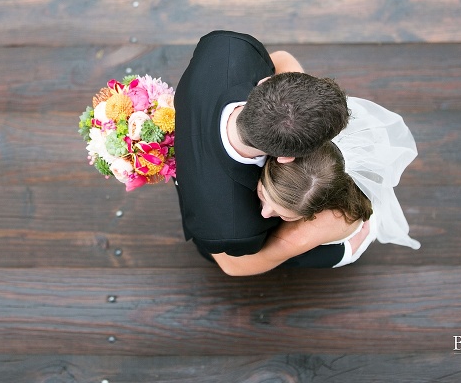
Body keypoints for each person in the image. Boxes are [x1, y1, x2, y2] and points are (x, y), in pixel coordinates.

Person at [174, 30, 351, 266]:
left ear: (266, 83)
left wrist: (298, 109)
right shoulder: (235, 229)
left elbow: (280, 58)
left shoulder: (229, 46)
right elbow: (234, 266)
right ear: (286, 157)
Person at [212, 97, 421, 276]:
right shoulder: (306, 137)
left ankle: (346, 253)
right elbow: (283, 58)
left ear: (316, 210)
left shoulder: (299, 235)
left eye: (286, 215)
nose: (266, 213)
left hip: (334, 246)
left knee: (280, 257)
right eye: (263, 194)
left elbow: (233, 266)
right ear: (281, 157)